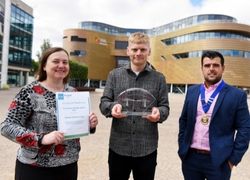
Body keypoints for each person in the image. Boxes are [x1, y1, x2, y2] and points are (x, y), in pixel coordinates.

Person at [0, 47, 98, 180]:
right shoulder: (30, 91)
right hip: (35, 168)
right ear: (44, 66)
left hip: (68, 166)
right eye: (56, 61)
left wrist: (90, 125)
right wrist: (41, 139)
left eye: (65, 62)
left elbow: (75, 128)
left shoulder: (73, 92)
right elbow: (7, 126)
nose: (61, 65)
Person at [99, 32, 169, 180]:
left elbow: (165, 107)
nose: (138, 53)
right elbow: (104, 102)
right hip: (118, 147)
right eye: (135, 49)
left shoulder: (159, 78)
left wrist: (159, 113)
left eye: (143, 50)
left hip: (147, 148)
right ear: (128, 51)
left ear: (149, 51)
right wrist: (112, 108)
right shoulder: (114, 75)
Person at [178, 50, 250, 180]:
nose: (211, 69)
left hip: (219, 162)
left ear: (223, 68)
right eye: (207, 65)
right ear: (202, 68)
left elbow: (245, 129)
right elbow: (183, 121)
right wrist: (182, 148)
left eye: (216, 65)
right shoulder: (192, 92)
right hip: (191, 159)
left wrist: (233, 160)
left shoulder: (237, 95)